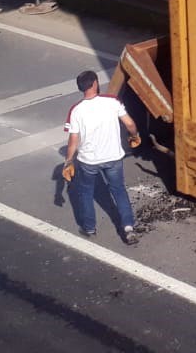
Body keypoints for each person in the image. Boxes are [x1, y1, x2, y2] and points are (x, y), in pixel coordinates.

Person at [62, 70, 144, 244]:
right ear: (95, 83)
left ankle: (89, 228)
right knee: (119, 191)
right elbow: (129, 124)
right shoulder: (112, 102)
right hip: (113, 158)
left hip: (88, 162)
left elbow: (73, 141)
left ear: (81, 88)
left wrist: (68, 162)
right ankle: (128, 228)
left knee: (86, 193)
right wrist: (135, 136)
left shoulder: (76, 111)